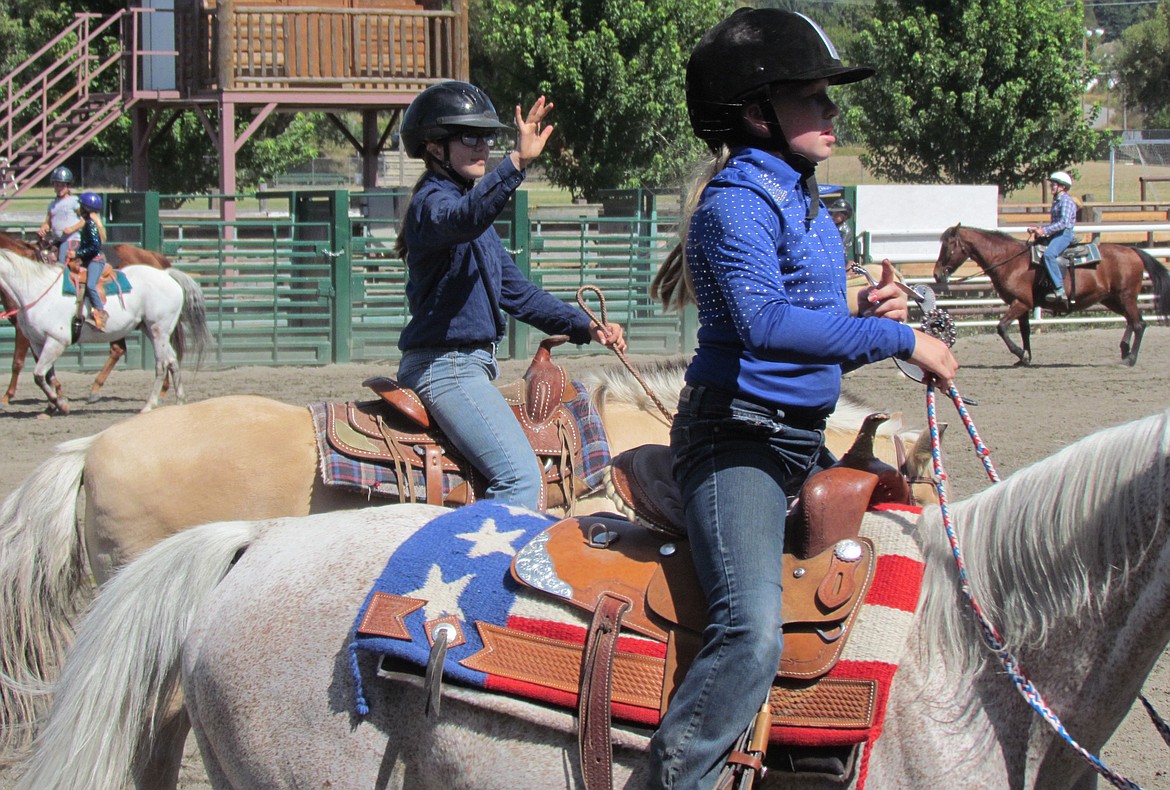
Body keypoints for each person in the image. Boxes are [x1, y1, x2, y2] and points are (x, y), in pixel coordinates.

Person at [645, 9, 958, 789]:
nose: (831, 112)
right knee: (750, 631)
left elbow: (809, 303)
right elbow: (765, 324)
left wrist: (864, 302)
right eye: (814, 97)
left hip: (798, 439)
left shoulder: (806, 202)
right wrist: (902, 341)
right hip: (737, 444)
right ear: (758, 113)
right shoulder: (734, 206)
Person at [393, 80, 626, 510]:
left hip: (467, 367)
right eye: (469, 136)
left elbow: (519, 295)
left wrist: (587, 327)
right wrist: (516, 161)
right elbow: (466, 217)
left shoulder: (468, 215)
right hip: (447, 369)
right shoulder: (433, 204)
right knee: (521, 480)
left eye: (486, 136)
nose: (481, 146)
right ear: (434, 146)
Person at [1027, 170, 1077, 305]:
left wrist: (1044, 230)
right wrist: (1039, 230)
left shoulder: (1066, 201)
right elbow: (1055, 223)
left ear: (1063, 187)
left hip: (1064, 234)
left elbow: (1064, 223)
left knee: (1049, 255)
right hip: (1056, 234)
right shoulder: (1057, 201)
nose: (1051, 187)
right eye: (1052, 184)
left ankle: (1059, 288)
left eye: (1054, 185)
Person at [68, 191, 109, 330]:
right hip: (87, 258)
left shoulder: (90, 225)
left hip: (96, 260)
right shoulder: (86, 223)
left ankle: (100, 312)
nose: (78, 208)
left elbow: (95, 247)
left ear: (85, 209)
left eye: (80, 205)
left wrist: (77, 253)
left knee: (91, 284)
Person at [37, 166, 83, 265]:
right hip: (57, 240)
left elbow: (85, 220)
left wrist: (72, 228)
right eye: (57, 185)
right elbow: (48, 222)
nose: (59, 188)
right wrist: (43, 228)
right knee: (42, 256)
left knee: (62, 258)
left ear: (68, 186)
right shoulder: (52, 205)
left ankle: (64, 279)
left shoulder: (74, 201)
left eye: (62, 185)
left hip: (72, 239)